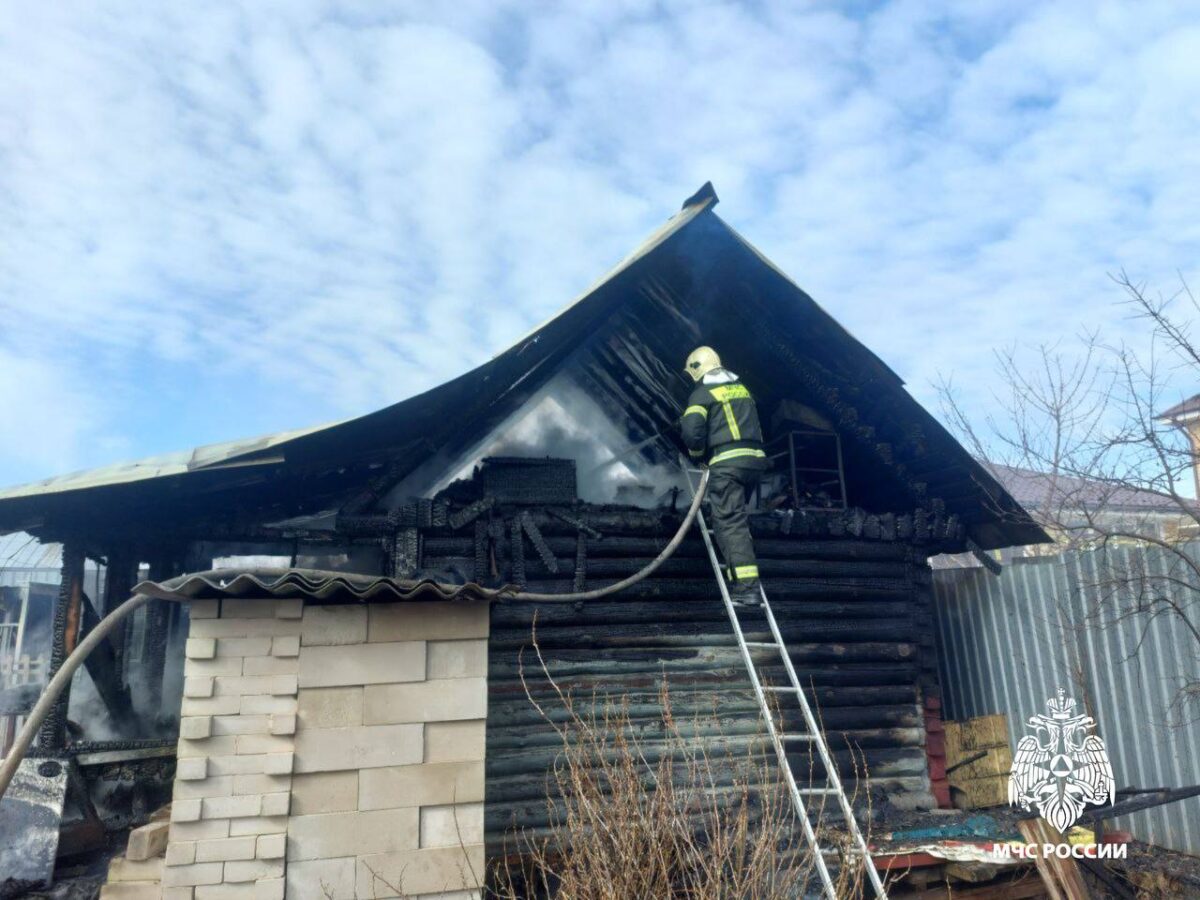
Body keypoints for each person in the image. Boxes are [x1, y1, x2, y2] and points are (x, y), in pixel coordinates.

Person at [680, 346, 767, 607]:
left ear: (696, 370)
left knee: (729, 524)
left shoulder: (702, 394)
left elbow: (692, 432)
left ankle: (747, 589)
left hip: (728, 465)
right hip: (754, 463)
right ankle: (743, 567)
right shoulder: (742, 389)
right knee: (737, 521)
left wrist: (697, 455)